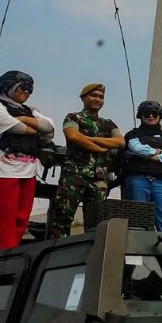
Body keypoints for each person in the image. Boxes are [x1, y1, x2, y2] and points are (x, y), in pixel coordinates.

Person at [0, 70, 56, 251]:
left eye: (30, 90)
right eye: (23, 87)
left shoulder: (30, 110)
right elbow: (19, 128)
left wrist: (26, 119)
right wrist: (33, 127)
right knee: (0, 222)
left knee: (21, 220)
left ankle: (10, 257)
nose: (27, 92)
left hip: (27, 171)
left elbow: (49, 127)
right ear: (8, 86)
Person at [48, 83, 125, 238]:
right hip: (74, 176)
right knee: (62, 218)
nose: (97, 99)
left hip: (99, 179)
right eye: (93, 95)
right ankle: (56, 254)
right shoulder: (73, 117)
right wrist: (99, 148)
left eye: (101, 97)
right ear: (84, 98)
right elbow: (73, 136)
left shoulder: (108, 123)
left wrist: (90, 139)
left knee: (96, 223)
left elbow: (120, 142)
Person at [119, 100, 162, 232]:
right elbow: (136, 148)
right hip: (138, 180)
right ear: (141, 116)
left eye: (154, 113)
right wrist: (155, 152)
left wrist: (154, 157)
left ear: (159, 116)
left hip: (160, 182)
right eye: (147, 113)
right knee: (138, 219)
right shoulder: (132, 135)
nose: (151, 116)